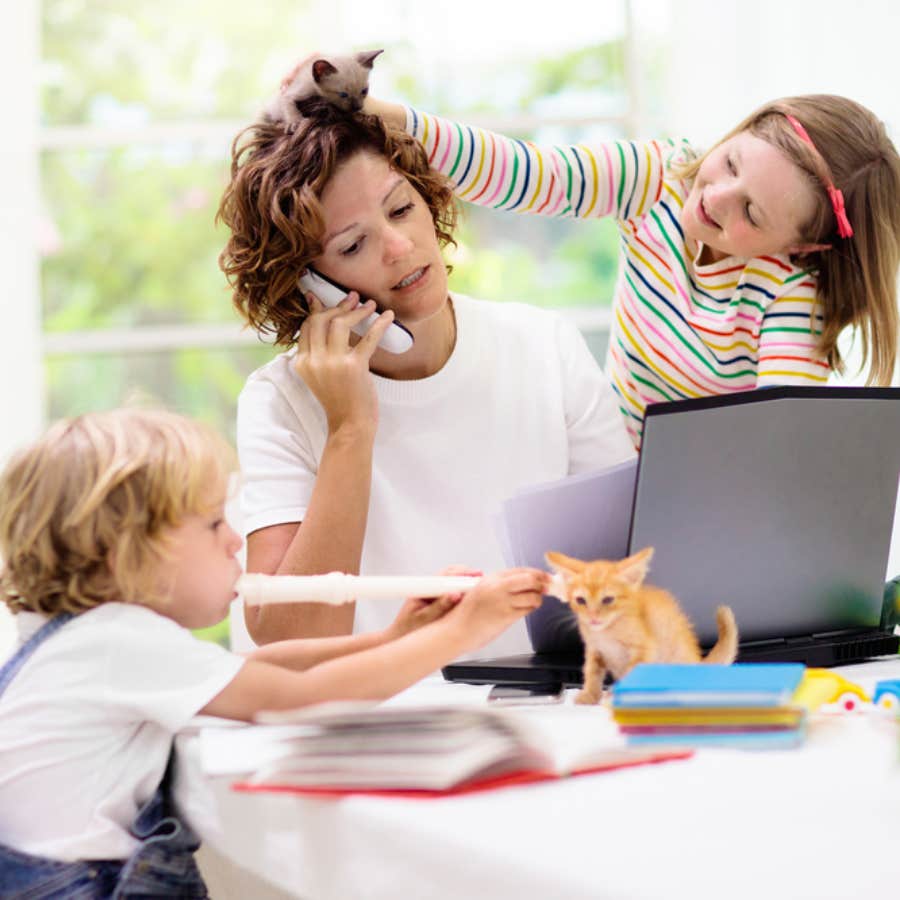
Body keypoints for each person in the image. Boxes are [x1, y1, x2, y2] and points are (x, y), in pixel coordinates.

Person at [0, 407, 547, 897]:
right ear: (125, 556)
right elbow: (294, 699)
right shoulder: (114, 639)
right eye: (213, 523)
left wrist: (394, 639)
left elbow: (251, 672)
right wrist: (461, 634)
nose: (235, 540)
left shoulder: (81, 640)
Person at [217, 100, 635, 650]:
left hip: (542, 705)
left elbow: (629, 573)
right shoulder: (279, 402)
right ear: (306, 285)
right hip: (370, 716)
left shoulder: (543, 346)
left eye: (399, 210)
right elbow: (290, 641)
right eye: (352, 245)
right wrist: (349, 429)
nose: (400, 247)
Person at [364, 94, 900, 448]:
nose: (716, 197)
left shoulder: (789, 295)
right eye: (732, 163)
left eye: (753, 214)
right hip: (605, 455)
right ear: (740, 130)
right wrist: (383, 115)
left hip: (698, 496)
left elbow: (779, 443)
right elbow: (528, 175)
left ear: (801, 245)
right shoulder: (659, 178)